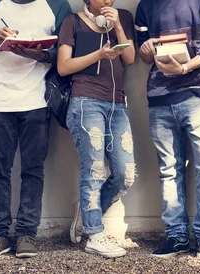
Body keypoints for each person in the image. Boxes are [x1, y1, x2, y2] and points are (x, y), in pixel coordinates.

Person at [0, 0, 71, 260]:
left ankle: (27, 233)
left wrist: (39, 55)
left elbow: (65, 49)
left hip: (37, 100)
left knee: (33, 169)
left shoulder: (57, 4)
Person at [135, 0, 200, 258]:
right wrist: (146, 48)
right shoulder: (146, 5)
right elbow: (143, 56)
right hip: (160, 98)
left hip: (199, 94)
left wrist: (185, 67)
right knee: (169, 169)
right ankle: (176, 236)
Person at [57, 0, 136, 258]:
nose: (109, 1)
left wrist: (119, 29)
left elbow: (131, 59)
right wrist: (98, 55)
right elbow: (63, 66)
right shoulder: (73, 22)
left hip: (117, 104)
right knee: (94, 169)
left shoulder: (122, 17)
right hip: (85, 102)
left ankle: (89, 215)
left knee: (125, 173)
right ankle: (94, 235)